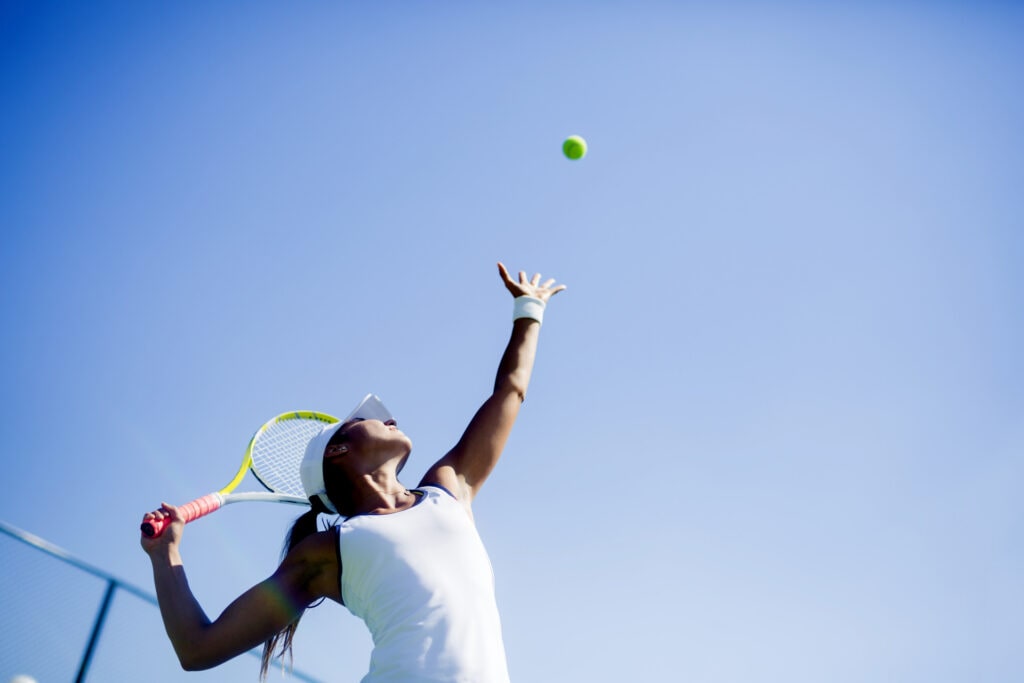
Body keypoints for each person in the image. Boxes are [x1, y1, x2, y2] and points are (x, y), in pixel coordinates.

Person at [140, 262, 566, 682]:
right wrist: (166, 555)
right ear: (338, 450)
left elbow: (510, 391)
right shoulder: (327, 552)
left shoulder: (449, 487)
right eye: (367, 417)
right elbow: (197, 649)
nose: (389, 417)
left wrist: (529, 310)